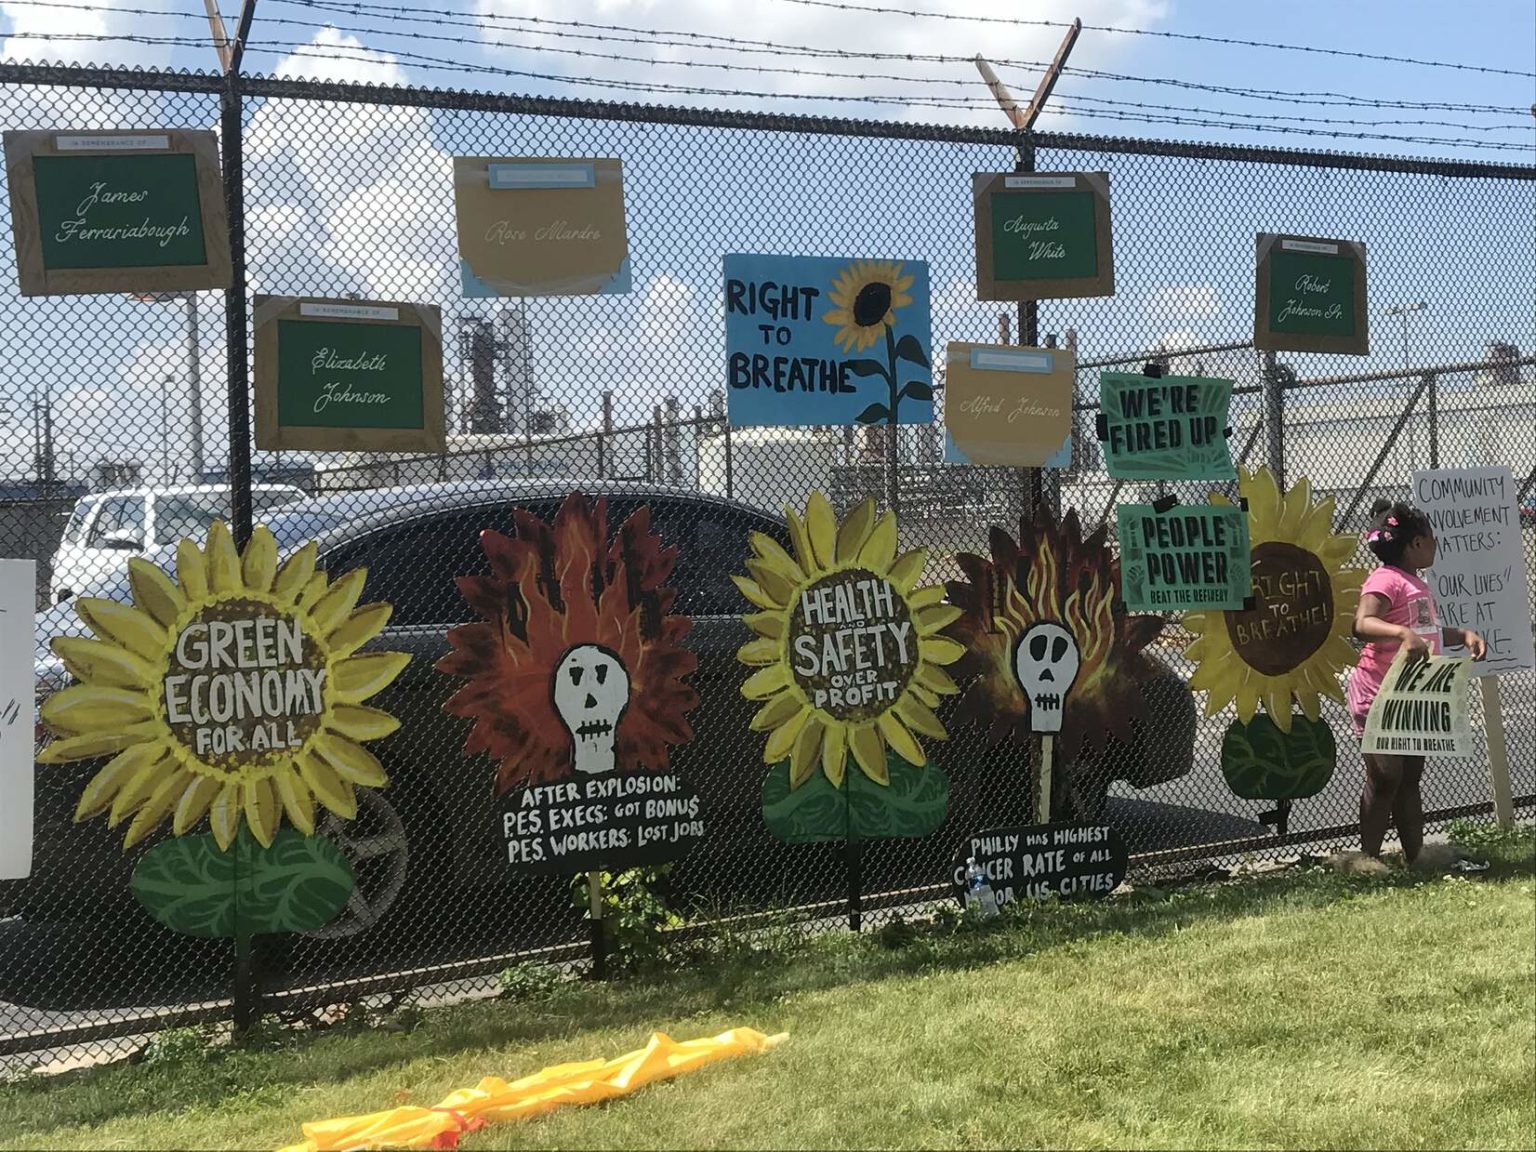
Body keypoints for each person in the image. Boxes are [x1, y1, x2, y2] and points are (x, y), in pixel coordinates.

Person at [1348, 499, 1486, 864]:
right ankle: (1368, 859)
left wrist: (1461, 635)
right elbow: (1362, 623)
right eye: (1431, 537)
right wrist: (1400, 633)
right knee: (1385, 777)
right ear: (1414, 544)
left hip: (1412, 695)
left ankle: (1415, 856)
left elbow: (1428, 631)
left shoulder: (1415, 584)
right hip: (1379, 695)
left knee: (1410, 777)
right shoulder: (1384, 579)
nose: (1436, 543)